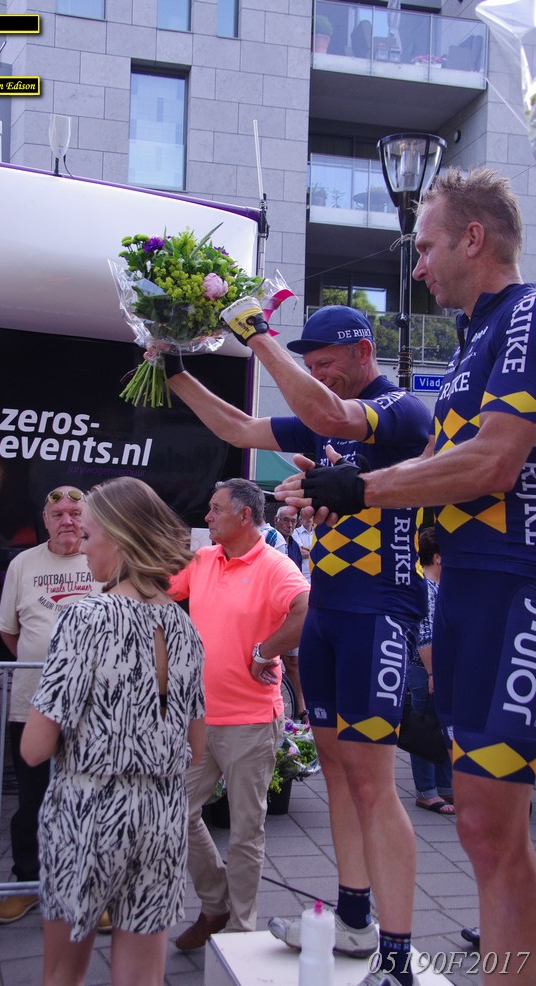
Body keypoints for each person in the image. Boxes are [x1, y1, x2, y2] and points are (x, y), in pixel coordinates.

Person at [277, 167, 536, 983]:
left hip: (514, 589)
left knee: (491, 830)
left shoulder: (525, 314)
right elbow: (433, 468)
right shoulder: (470, 342)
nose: (416, 267)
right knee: (482, 831)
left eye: (424, 248)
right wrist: (335, 492)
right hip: (463, 592)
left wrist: (358, 488)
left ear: (472, 239)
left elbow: (493, 461)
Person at [163, 304, 431, 986]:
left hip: (379, 611)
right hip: (330, 612)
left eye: (325, 364)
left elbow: (331, 414)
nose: (315, 376)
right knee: (338, 773)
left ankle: (398, 957)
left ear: (364, 352)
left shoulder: (398, 409)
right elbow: (237, 428)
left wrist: (254, 331)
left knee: (373, 784)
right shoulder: (321, 416)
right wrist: (175, 373)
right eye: (307, 365)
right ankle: (353, 919)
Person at [20, 477, 205, 986]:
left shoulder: (84, 618)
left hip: (88, 811)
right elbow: (196, 747)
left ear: (119, 539)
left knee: (62, 975)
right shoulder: (185, 626)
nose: (82, 547)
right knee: (142, 977)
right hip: (163, 815)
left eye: (89, 535)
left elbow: (33, 748)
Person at [170, 478, 308, 950]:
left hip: (251, 721)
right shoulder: (204, 559)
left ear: (244, 516)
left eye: (215, 509)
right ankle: (216, 905)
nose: (206, 517)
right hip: (200, 719)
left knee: (246, 831)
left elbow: (307, 608)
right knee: (175, 810)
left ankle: (239, 932)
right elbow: (157, 588)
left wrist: (264, 651)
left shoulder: (274, 565)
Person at [0, 485, 107, 927]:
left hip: (92, 710)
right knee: (32, 801)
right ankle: (27, 882)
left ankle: (94, 890)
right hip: (31, 706)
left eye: (76, 513)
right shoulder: (22, 564)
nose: (67, 521)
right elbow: (9, 631)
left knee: (91, 800)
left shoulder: (102, 559)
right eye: (58, 514)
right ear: (45, 520)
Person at [409, 527, 454, 816]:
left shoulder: (439, 586)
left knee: (443, 725)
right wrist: (432, 674)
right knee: (425, 727)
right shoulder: (425, 587)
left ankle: (445, 785)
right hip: (425, 669)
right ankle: (426, 791)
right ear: (438, 557)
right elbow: (424, 636)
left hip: (438, 668)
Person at [274, 505, 308, 722]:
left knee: (294, 662)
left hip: (290, 611)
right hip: (274, 611)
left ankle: (300, 709)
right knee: (274, 661)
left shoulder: (294, 546)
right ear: (276, 521)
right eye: (285, 520)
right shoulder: (271, 540)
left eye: (293, 521)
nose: (289, 525)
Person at [292, 505, 315, 581]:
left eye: (310, 516)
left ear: (313, 518)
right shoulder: (295, 532)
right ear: (301, 519)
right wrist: (316, 552)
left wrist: (309, 551)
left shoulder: (317, 533)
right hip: (302, 575)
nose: (308, 518)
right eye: (306, 516)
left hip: (315, 574)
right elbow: (300, 553)